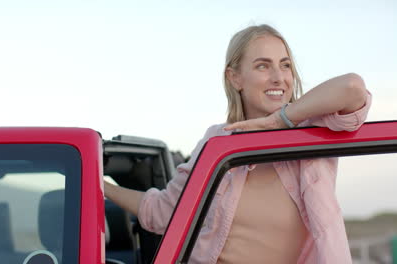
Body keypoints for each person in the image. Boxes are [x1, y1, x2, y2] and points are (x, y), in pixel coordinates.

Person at [104, 24, 371, 263]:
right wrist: (96, 183)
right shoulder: (217, 141)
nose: (279, 77)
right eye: (263, 66)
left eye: (285, 65)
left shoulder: (311, 132)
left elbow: (352, 88)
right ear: (235, 78)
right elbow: (163, 211)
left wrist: (280, 120)